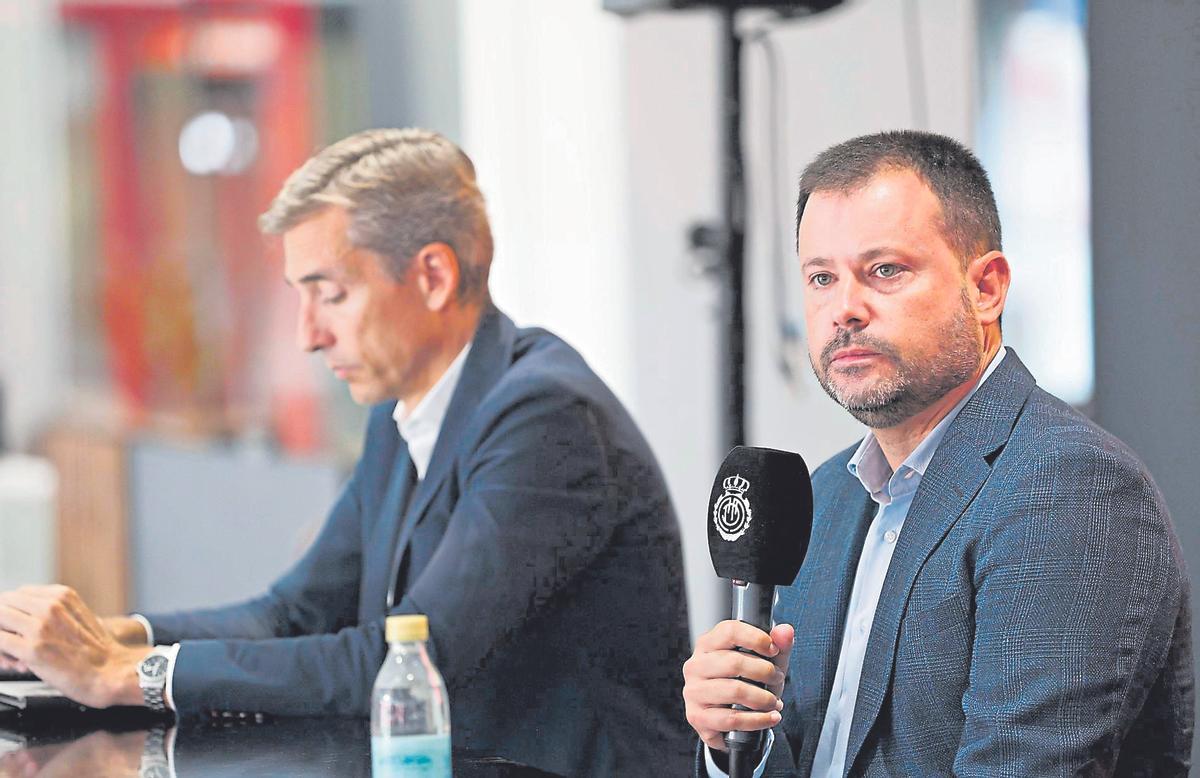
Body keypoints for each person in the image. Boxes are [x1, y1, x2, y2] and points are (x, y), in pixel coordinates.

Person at [0, 128, 694, 777]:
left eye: (329, 295)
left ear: (432, 277)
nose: (308, 336)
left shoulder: (545, 419)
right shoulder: (403, 413)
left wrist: (127, 674)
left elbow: (410, 661)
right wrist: (111, 637)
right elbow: (294, 613)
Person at [683, 130, 1193, 776]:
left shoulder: (1069, 487)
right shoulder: (826, 498)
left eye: (884, 271)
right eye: (821, 278)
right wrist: (736, 748)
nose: (845, 308)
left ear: (986, 289)